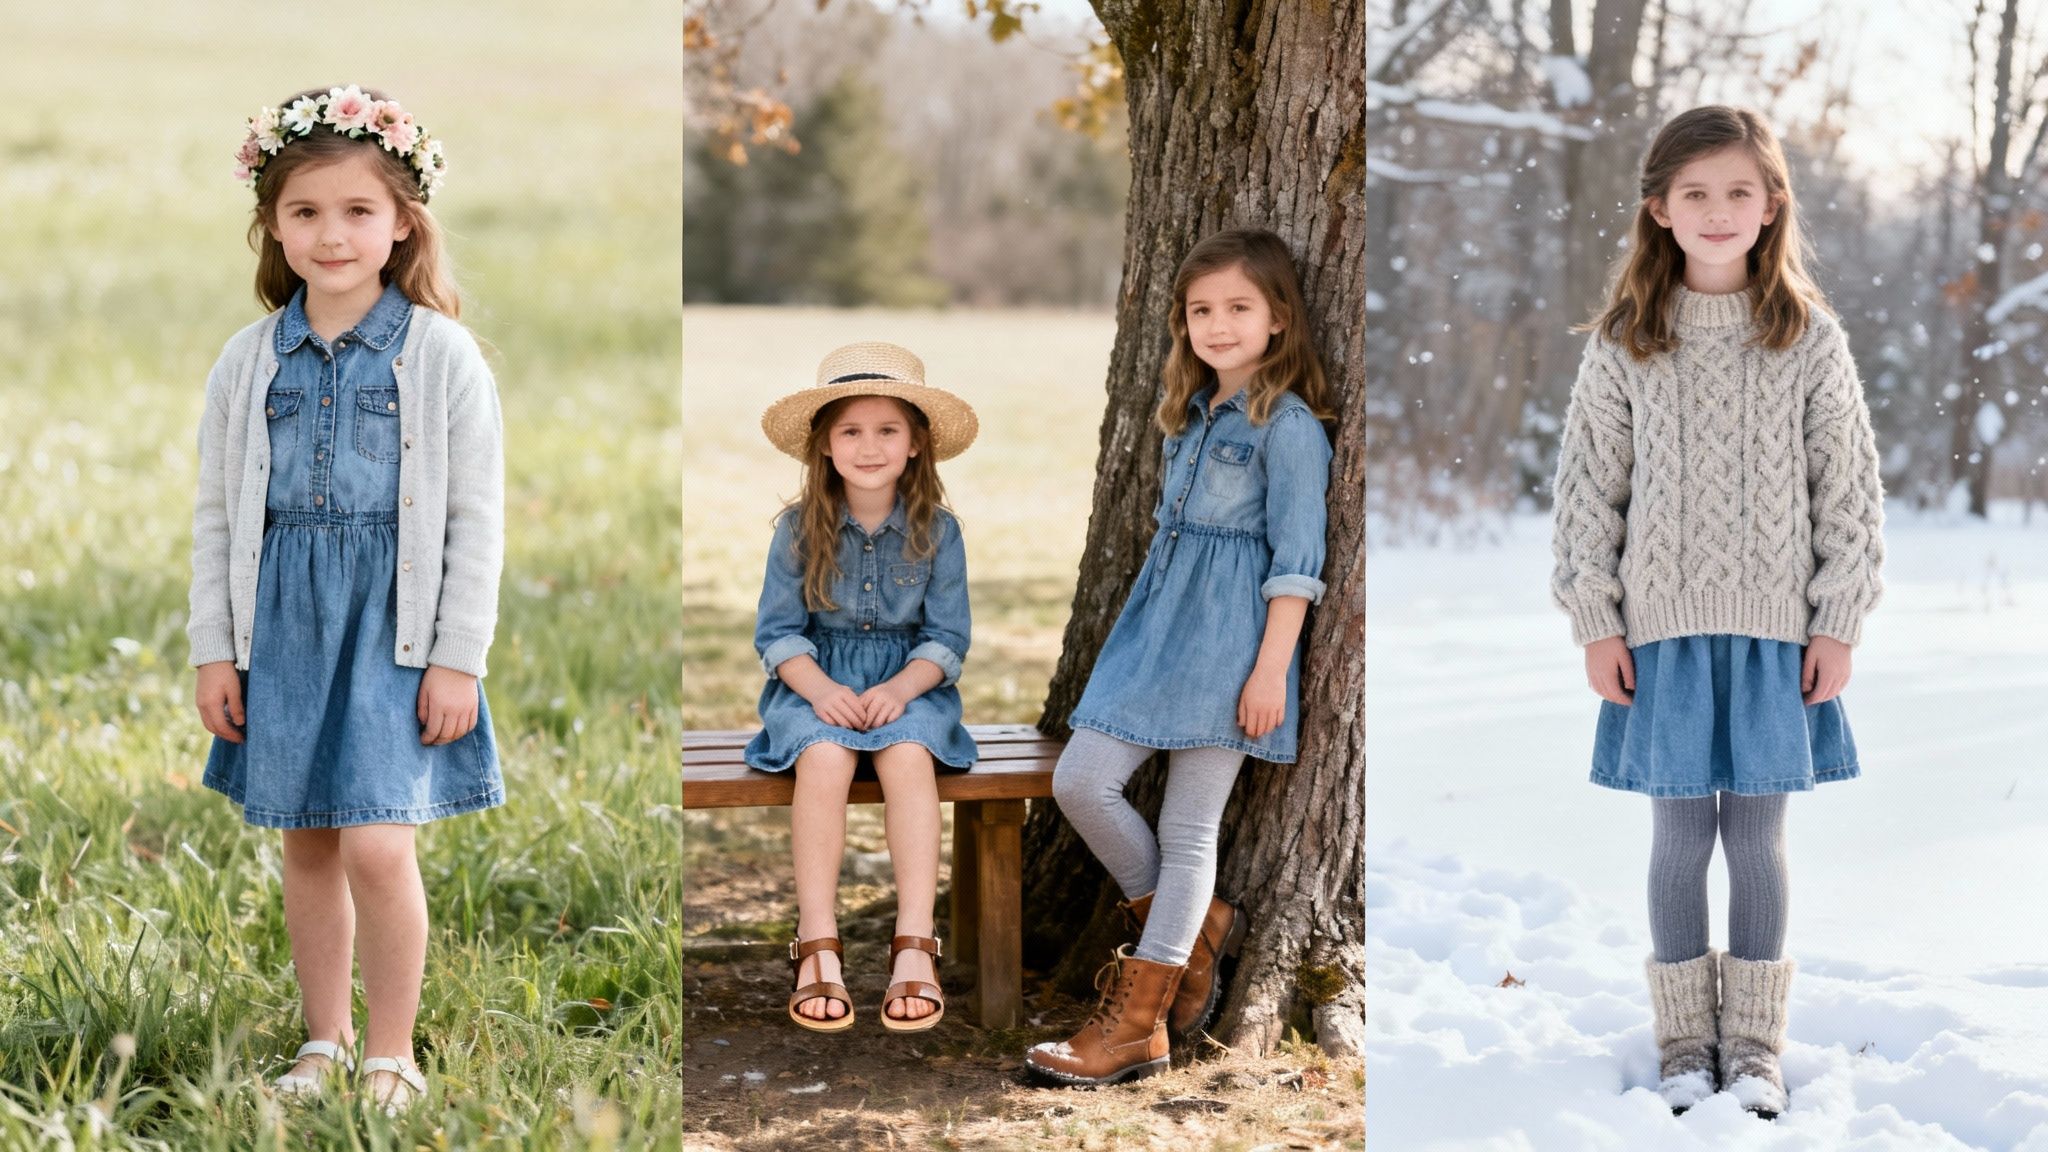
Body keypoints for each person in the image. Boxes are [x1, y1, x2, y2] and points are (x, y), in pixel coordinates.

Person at [1550, 105, 1885, 1119]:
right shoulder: (1624, 343)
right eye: (1692, 192)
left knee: (1755, 840)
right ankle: (1681, 1041)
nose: (1715, 209)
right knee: (1677, 839)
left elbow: (1848, 493)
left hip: (1777, 635)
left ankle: (1752, 1044)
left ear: (1770, 204)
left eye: (1738, 190)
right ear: (1656, 209)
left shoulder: (1805, 339)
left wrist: (1835, 620)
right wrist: (1595, 621)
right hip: (1658, 636)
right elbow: (1585, 494)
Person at [190, 85, 498, 1114]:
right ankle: (322, 1041)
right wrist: (214, 650)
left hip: (395, 630)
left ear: (403, 219)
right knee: (307, 839)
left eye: (358, 211)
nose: (332, 235)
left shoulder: (439, 356)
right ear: (271, 225)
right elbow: (220, 521)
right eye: (306, 212)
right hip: (281, 625)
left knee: (375, 836)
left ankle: (391, 1051)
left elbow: (473, 520)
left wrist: (458, 655)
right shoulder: (247, 361)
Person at [1026, 228, 1335, 1086]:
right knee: (1081, 781)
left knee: (1189, 825)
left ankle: (1136, 1024)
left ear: (1278, 319)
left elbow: (1297, 562)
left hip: (1231, 647)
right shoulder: (1188, 414)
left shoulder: (1291, 427)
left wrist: (1270, 669)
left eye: (1239, 307)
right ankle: (1194, 931)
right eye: (1202, 310)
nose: (1218, 324)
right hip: (1152, 634)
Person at [747, 341, 979, 1034]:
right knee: (824, 759)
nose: (869, 446)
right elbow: (778, 634)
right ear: (823, 446)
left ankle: (915, 943)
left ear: (916, 444)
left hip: (909, 689)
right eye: (850, 430)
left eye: (887, 430)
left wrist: (905, 689)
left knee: (908, 760)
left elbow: (948, 638)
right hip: (818, 687)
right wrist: (819, 691)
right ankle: (818, 942)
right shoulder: (796, 529)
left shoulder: (939, 531)